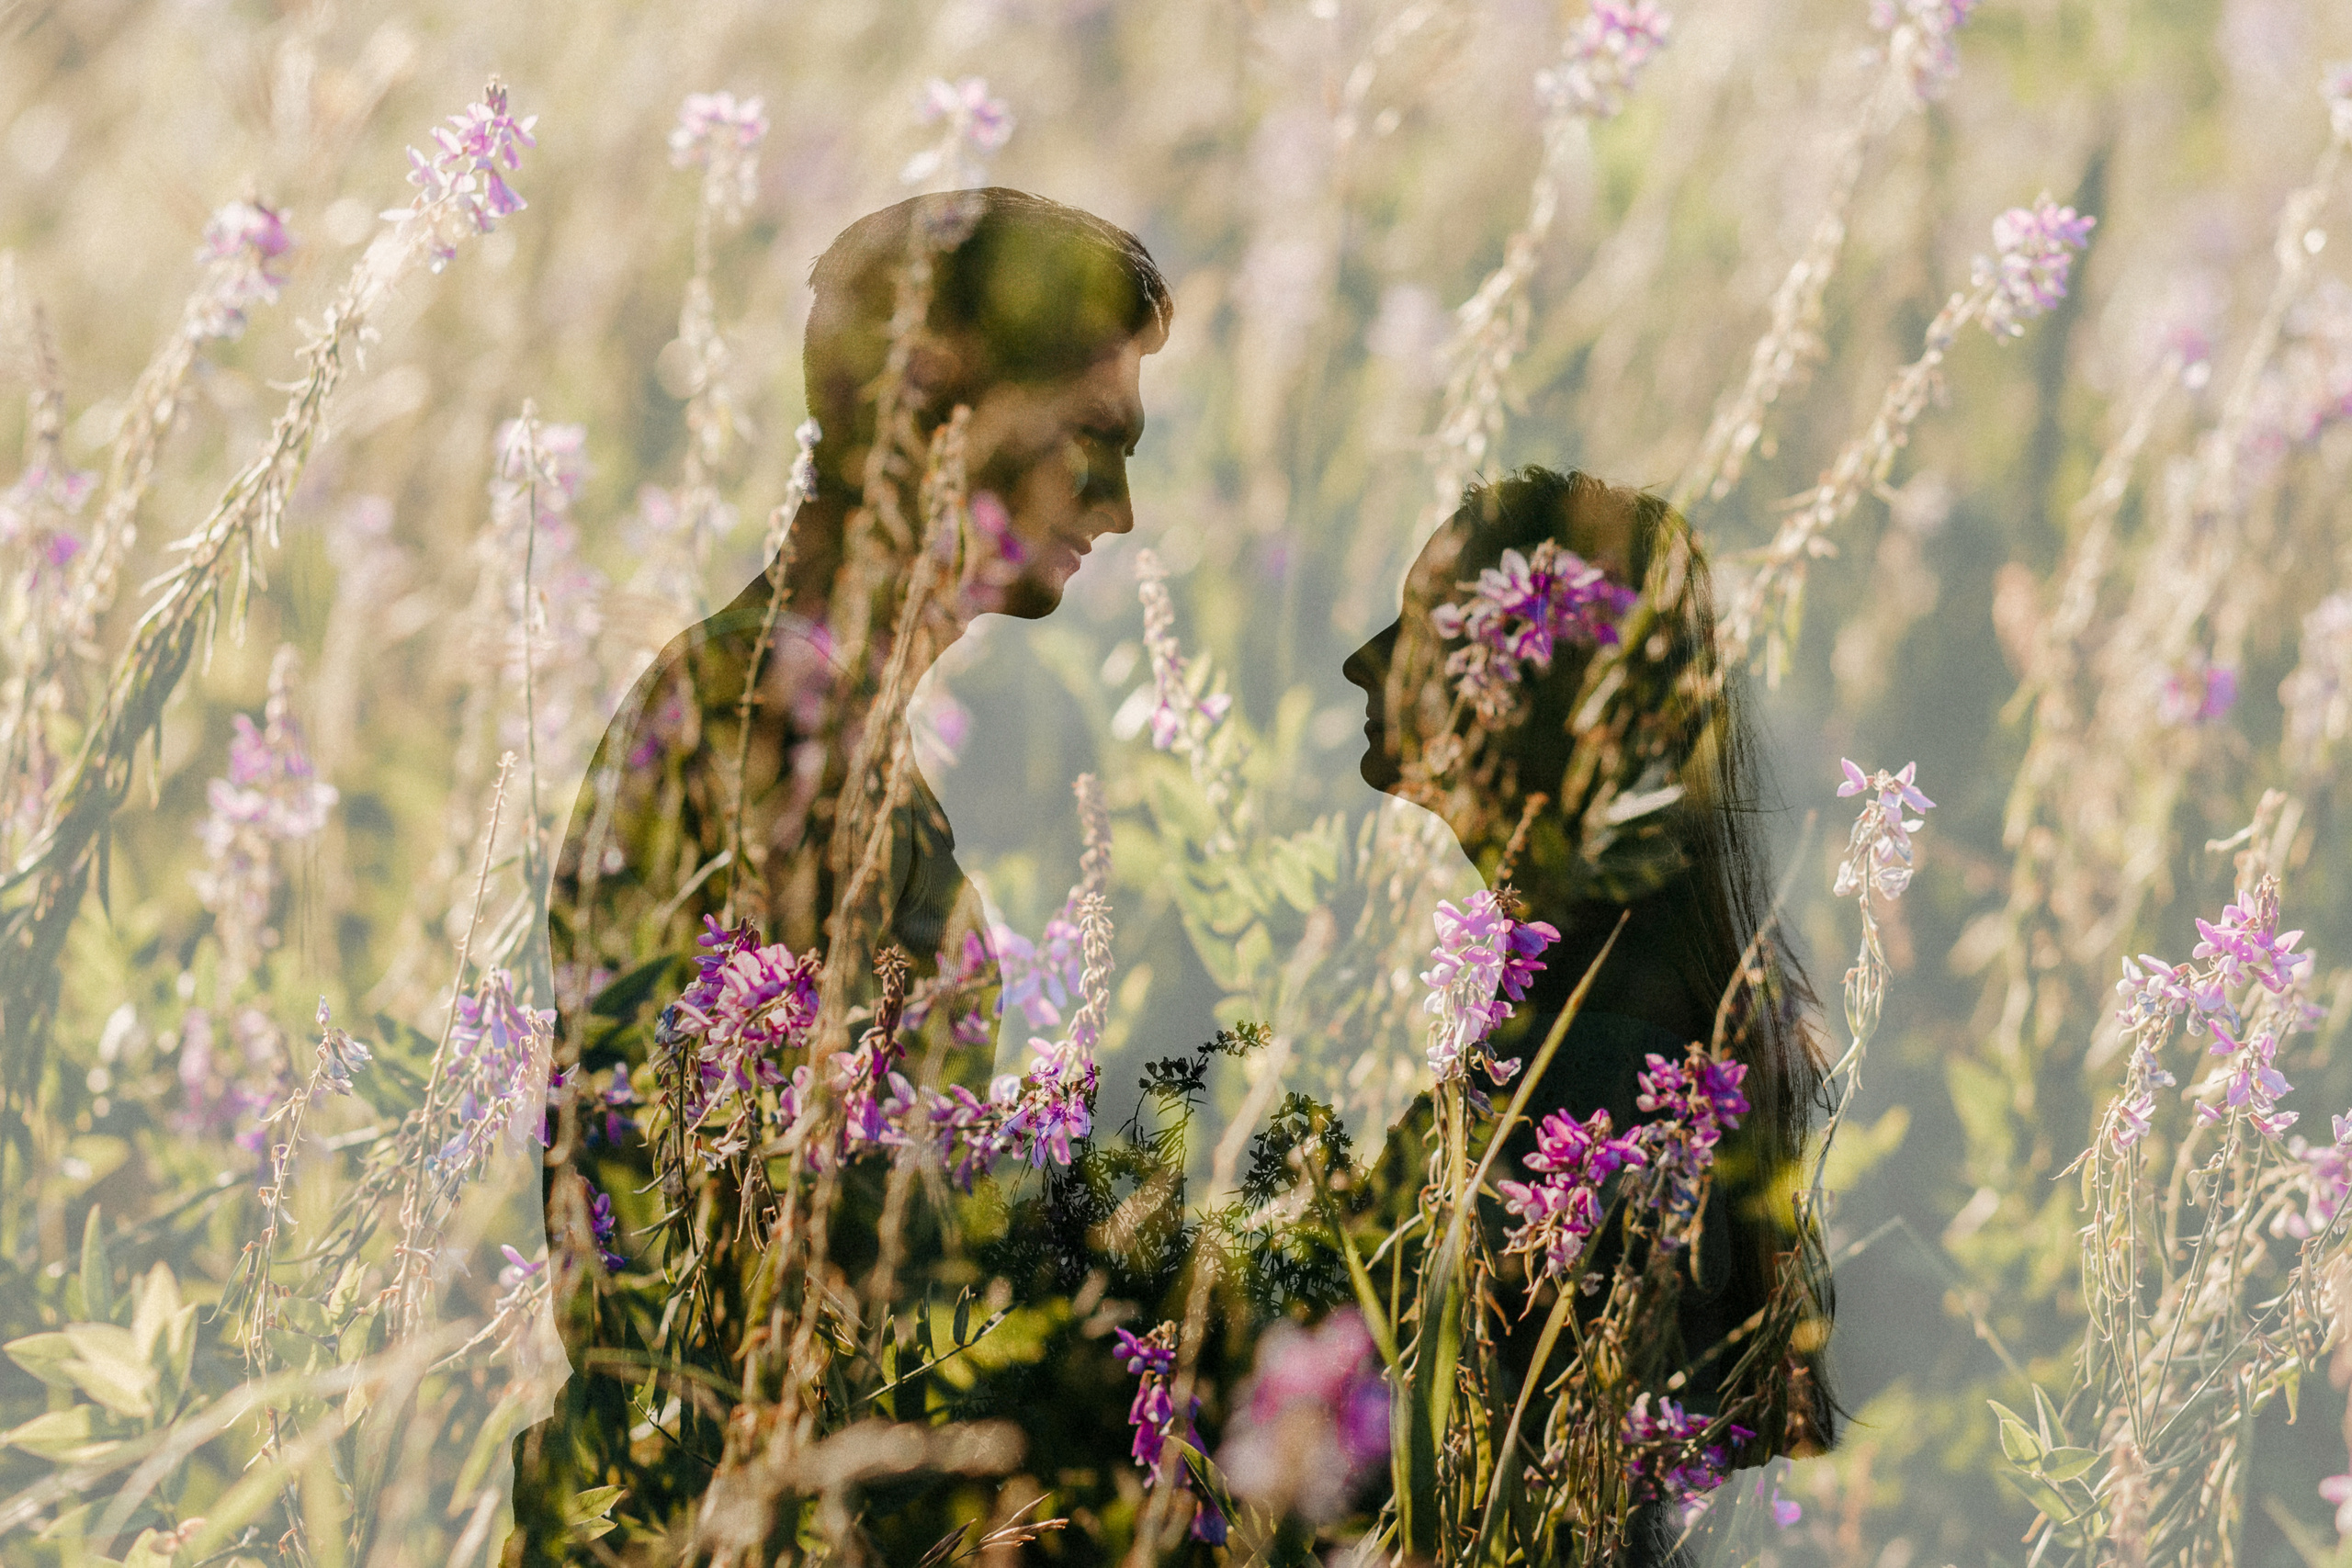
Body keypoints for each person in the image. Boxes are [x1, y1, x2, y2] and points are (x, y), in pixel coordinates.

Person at [503, 187, 1170, 1562]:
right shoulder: (755, 738)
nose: (1119, 505)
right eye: (1091, 444)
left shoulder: (824, 728)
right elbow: (686, 1269)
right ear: (944, 412)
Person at [1340, 466, 1838, 1560]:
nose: (1360, 662)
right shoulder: (1572, 1000)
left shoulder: (1605, 1060)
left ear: (1535, 682)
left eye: (1421, 626)